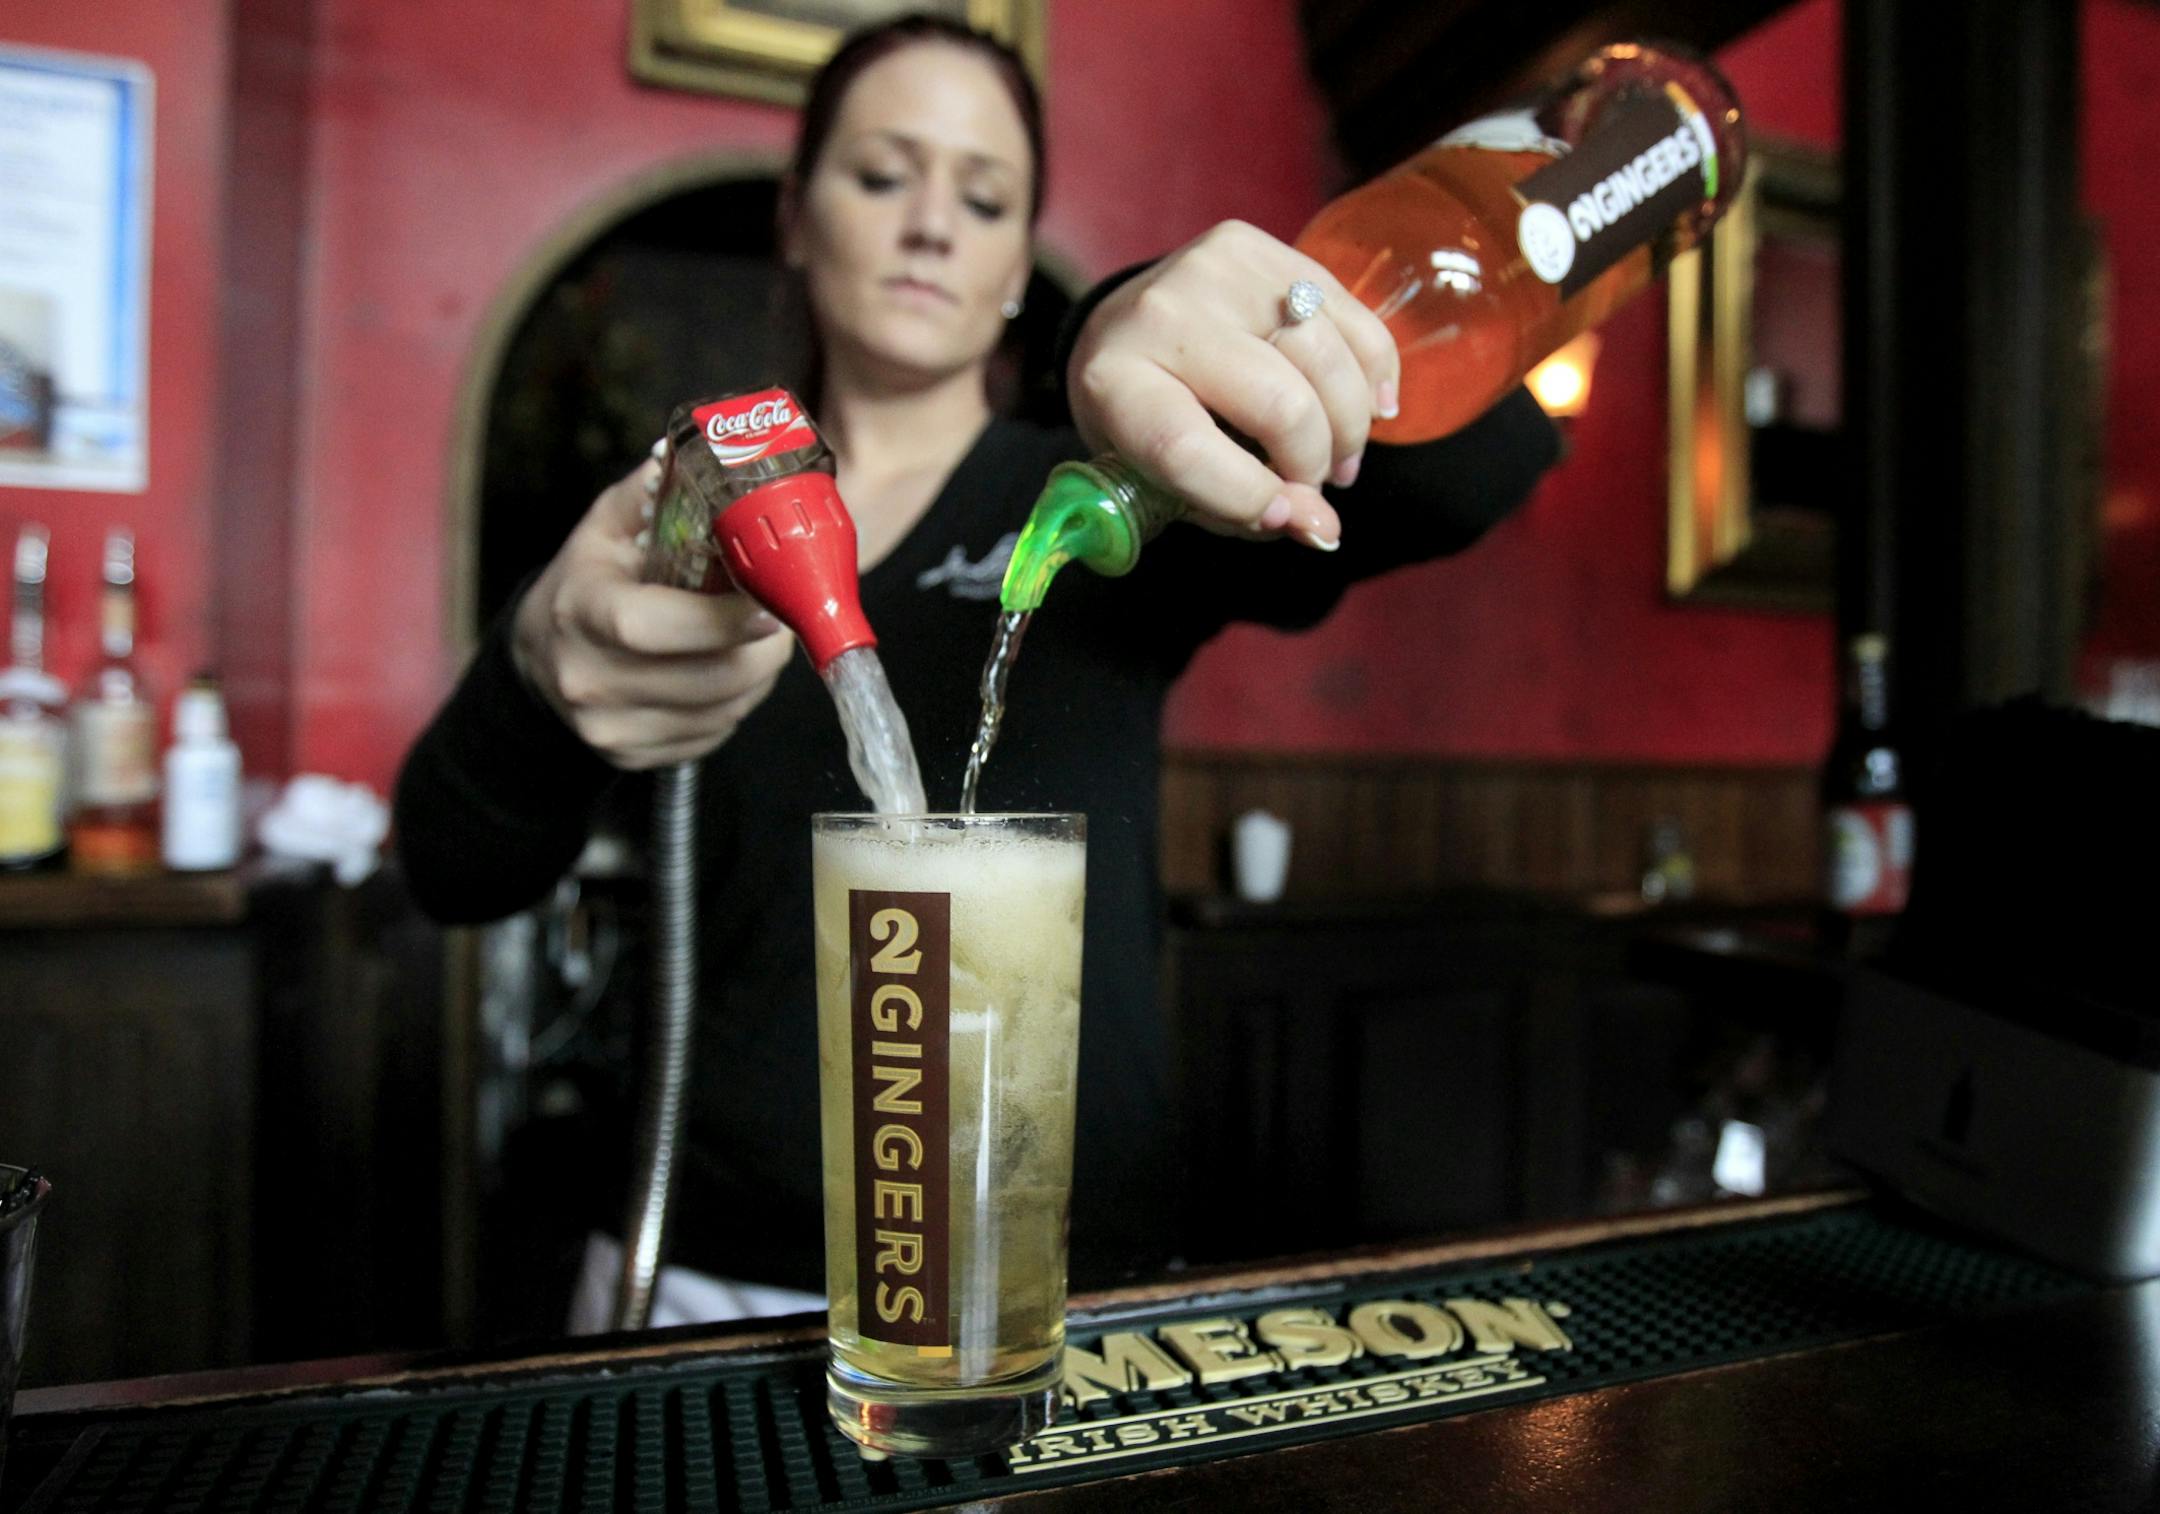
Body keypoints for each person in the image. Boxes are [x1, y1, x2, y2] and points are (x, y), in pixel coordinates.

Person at [395, 13, 1560, 1323]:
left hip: (1049, 1278)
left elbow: (1478, 463)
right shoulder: (694, 526)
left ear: (1020, 263)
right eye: (884, 176)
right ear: (796, 217)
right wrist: (540, 667)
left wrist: (1128, 327)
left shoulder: (1104, 497)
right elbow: (450, 862)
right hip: (708, 1273)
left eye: (986, 195)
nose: (932, 225)